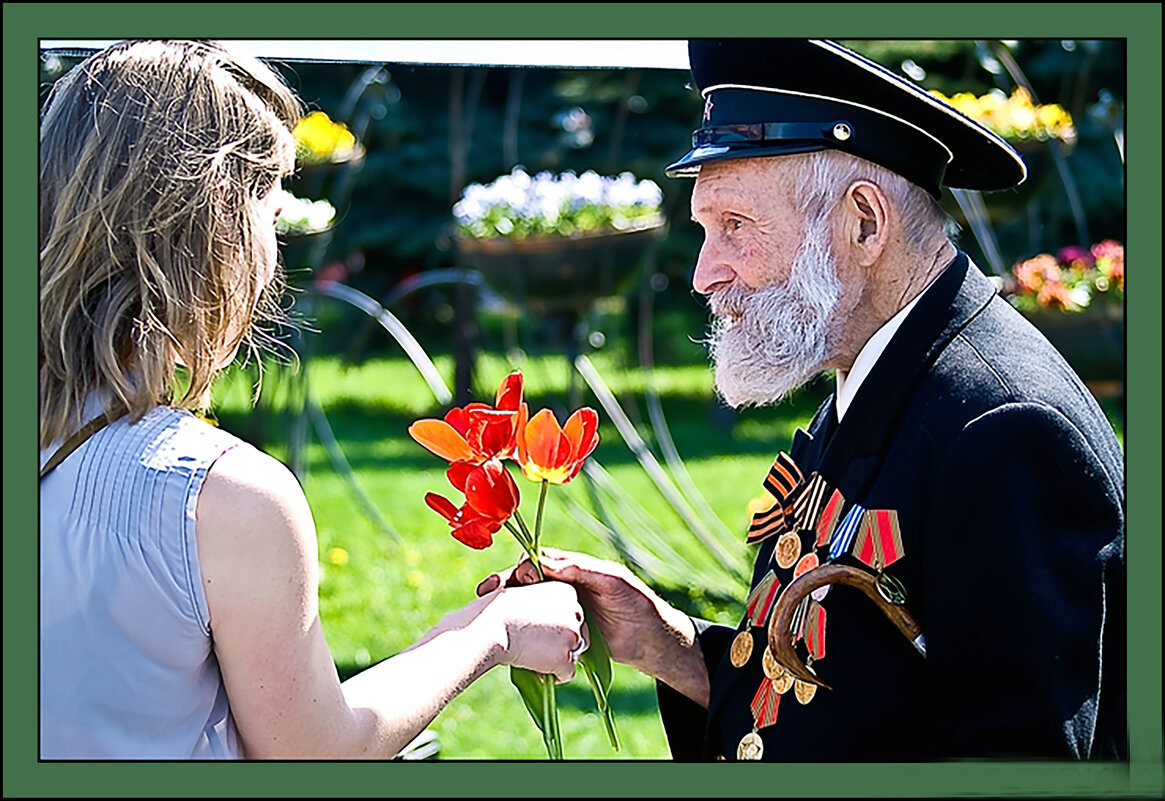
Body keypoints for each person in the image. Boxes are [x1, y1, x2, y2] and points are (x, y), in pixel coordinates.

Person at [479, 39, 1125, 761]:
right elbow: (848, 690)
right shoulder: (881, 368)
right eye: (704, 229)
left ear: (864, 223)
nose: (702, 275)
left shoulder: (1005, 429)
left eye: (735, 227)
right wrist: (664, 641)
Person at [38, 39, 588, 760]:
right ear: (216, 231)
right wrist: (495, 631)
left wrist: (450, 635)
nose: (274, 251)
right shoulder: (219, 495)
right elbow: (319, 751)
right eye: (268, 212)